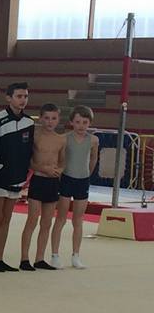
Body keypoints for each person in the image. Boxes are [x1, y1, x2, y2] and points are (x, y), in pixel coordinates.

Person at [0, 83, 34, 272]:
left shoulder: (29, 122)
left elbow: (29, 149)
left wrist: (25, 173)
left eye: (25, 96)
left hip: (18, 177)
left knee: (6, 218)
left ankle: (0, 257)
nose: (23, 100)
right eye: (19, 96)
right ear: (8, 98)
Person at [50, 106, 99, 270]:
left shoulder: (93, 140)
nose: (81, 126)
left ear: (90, 123)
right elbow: (59, 158)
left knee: (78, 220)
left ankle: (76, 255)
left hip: (83, 181)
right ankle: (55, 255)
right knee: (61, 218)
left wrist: (87, 174)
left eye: (85, 122)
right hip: (66, 179)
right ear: (71, 122)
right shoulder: (64, 138)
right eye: (78, 122)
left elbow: (93, 159)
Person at [20, 103, 65, 271]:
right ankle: (24, 258)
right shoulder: (35, 137)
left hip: (52, 182)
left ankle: (40, 258)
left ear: (58, 120)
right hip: (38, 180)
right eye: (46, 118)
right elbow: (29, 161)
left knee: (46, 223)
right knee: (32, 219)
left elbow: (62, 161)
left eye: (53, 118)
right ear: (40, 119)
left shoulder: (61, 139)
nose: (50, 122)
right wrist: (42, 168)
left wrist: (59, 170)